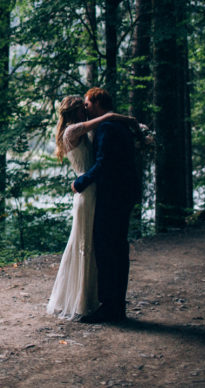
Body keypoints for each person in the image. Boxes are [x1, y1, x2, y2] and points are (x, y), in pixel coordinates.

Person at [46, 95, 137, 320]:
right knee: (86, 246)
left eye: (87, 107)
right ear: (75, 111)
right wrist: (121, 118)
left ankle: (96, 300)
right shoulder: (72, 131)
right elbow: (106, 120)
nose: (86, 111)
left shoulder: (88, 130)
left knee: (94, 248)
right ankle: (85, 301)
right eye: (83, 108)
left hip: (97, 192)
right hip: (87, 192)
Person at [72, 87, 139, 323]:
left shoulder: (107, 128)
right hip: (124, 194)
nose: (86, 109)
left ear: (98, 102)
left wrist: (81, 182)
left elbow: (104, 164)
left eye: (88, 104)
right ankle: (116, 305)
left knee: (106, 250)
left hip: (113, 197)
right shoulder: (118, 126)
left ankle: (110, 306)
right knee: (118, 249)